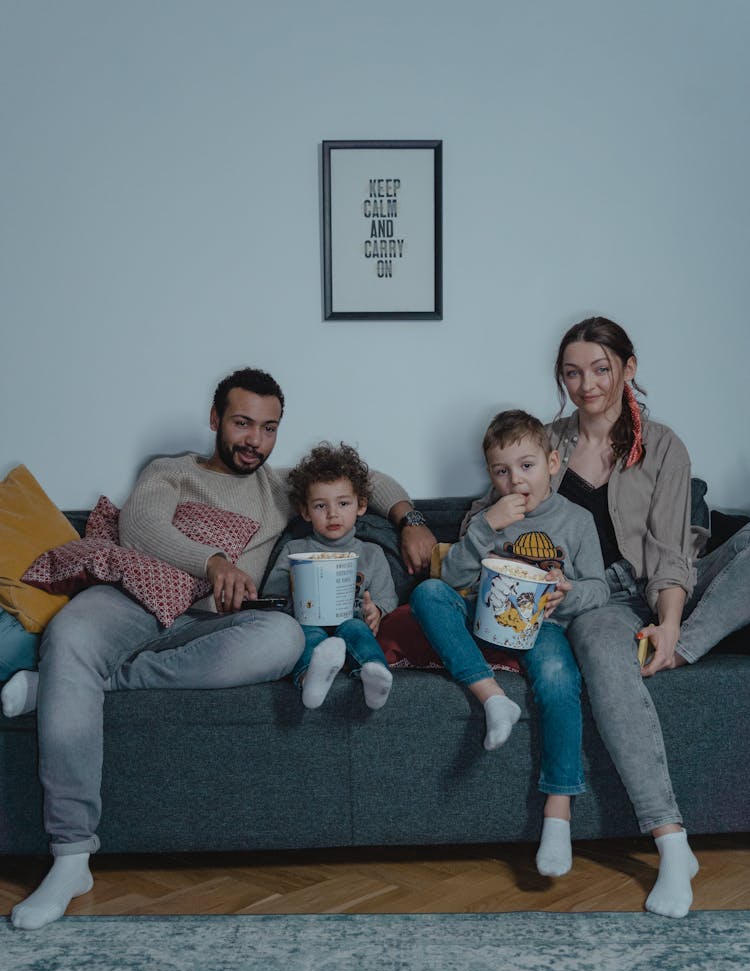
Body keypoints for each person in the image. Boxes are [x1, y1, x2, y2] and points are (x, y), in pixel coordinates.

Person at [7, 368, 435, 930]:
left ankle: (81, 684)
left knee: (283, 637)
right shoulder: (171, 472)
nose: (254, 440)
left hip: (212, 627)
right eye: (241, 423)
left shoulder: (279, 489)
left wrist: (412, 521)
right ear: (215, 420)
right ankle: (70, 857)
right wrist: (213, 562)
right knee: (70, 638)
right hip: (131, 600)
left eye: (268, 428)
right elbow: (139, 525)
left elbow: (368, 481)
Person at [469, 316, 750, 917]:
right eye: (572, 372)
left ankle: (681, 647)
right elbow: (492, 506)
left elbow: (675, 553)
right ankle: (673, 844)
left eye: (600, 368)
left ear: (628, 368)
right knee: (599, 646)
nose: (587, 384)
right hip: (600, 601)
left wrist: (672, 626)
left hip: (666, 586)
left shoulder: (665, 444)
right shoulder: (548, 441)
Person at [410, 410, 608, 877]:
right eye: (502, 471)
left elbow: (601, 588)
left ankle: (557, 816)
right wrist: (485, 527)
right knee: (427, 593)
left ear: (553, 462)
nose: (514, 480)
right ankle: (493, 698)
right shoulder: (485, 516)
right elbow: (453, 579)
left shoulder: (576, 521)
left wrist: (570, 591)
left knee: (561, 681)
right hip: (482, 620)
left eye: (526, 466)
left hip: (541, 629)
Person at [263, 442, 398, 710]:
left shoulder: (371, 553)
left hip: (352, 619)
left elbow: (386, 597)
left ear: (361, 506)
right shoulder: (294, 550)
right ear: (305, 511)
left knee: (357, 630)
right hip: (308, 622)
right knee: (307, 635)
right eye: (320, 506)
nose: (333, 513)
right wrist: (292, 605)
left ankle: (374, 675)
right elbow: (273, 598)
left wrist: (376, 612)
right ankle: (309, 680)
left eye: (343, 503)